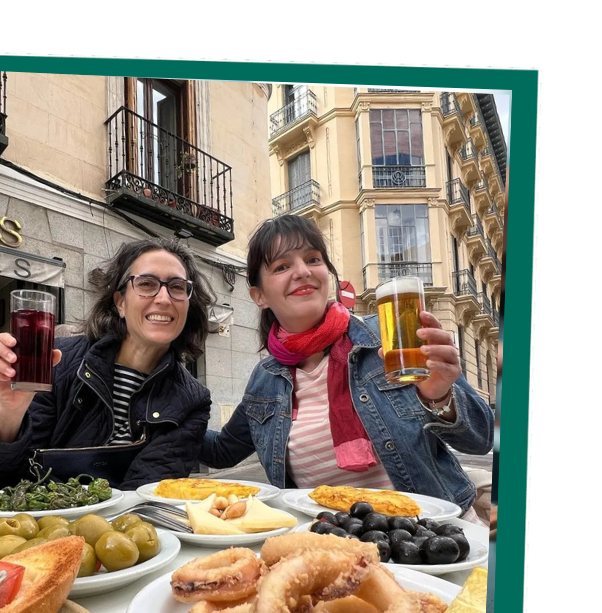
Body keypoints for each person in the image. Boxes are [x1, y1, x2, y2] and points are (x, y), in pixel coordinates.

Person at [200, 216, 494, 519]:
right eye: (282, 266)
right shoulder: (265, 379)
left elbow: (480, 439)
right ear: (259, 296)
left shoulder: (389, 339)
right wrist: (171, 403)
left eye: (313, 259)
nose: (302, 271)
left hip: (438, 539)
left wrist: (441, 397)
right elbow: (223, 451)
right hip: (341, 545)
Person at [0, 238, 213, 491]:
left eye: (177, 287)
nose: (164, 298)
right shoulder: (56, 362)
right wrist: (11, 411)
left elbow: (146, 495)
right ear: (120, 302)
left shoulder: (192, 401)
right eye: (146, 283)